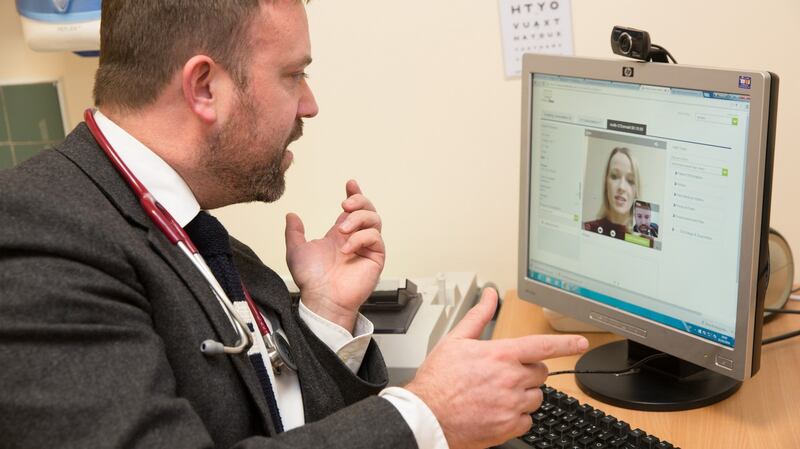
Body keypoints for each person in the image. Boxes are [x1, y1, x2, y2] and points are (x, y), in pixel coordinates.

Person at [0, 1, 588, 448]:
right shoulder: (39, 238)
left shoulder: (187, 222)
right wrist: (423, 414)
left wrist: (327, 315)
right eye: (292, 75)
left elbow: (276, 419)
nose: (309, 104)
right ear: (205, 86)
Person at [583, 147, 639, 240]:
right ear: (606, 184)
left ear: (636, 191)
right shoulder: (586, 229)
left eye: (630, 180)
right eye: (614, 176)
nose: (621, 187)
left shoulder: (647, 241)